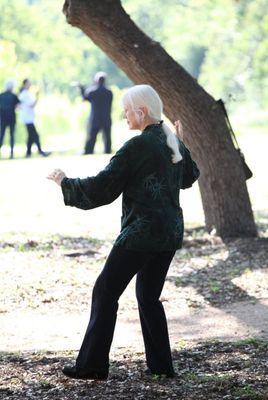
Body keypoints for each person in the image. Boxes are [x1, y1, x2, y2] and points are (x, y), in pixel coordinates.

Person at [48, 84, 200, 380]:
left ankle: (92, 366)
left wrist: (66, 183)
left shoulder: (137, 146)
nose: (123, 115)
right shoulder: (169, 139)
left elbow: (103, 188)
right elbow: (189, 177)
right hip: (169, 233)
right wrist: (182, 143)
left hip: (142, 233)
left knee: (105, 291)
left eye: (127, 110)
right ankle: (162, 368)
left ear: (141, 112)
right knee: (148, 296)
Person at [78, 72, 113, 154]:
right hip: (106, 117)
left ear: (97, 81)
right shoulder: (109, 92)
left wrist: (81, 88)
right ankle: (107, 151)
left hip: (95, 118)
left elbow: (85, 98)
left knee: (92, 137)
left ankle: (88, 151)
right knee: (107, 137)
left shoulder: (93, 92)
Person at [19, 79, 50, 158]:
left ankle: (28, 153)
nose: (30, 85)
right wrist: (37, 97)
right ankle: (40, 151)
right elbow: (31, 105)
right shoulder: (24, 94)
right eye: (29, 83)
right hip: (27, 118)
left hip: (29, 118)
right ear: (25, 84)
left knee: (31, 136)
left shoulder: (26, 94)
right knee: (35, 135)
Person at [0, 79, 20, 159]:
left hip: (3, 118)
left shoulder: (1, 95)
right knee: (12, 135)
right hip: (11, 117)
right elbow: (18, 106)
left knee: (2, 135)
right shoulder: (14, 95)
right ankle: (11, 153)